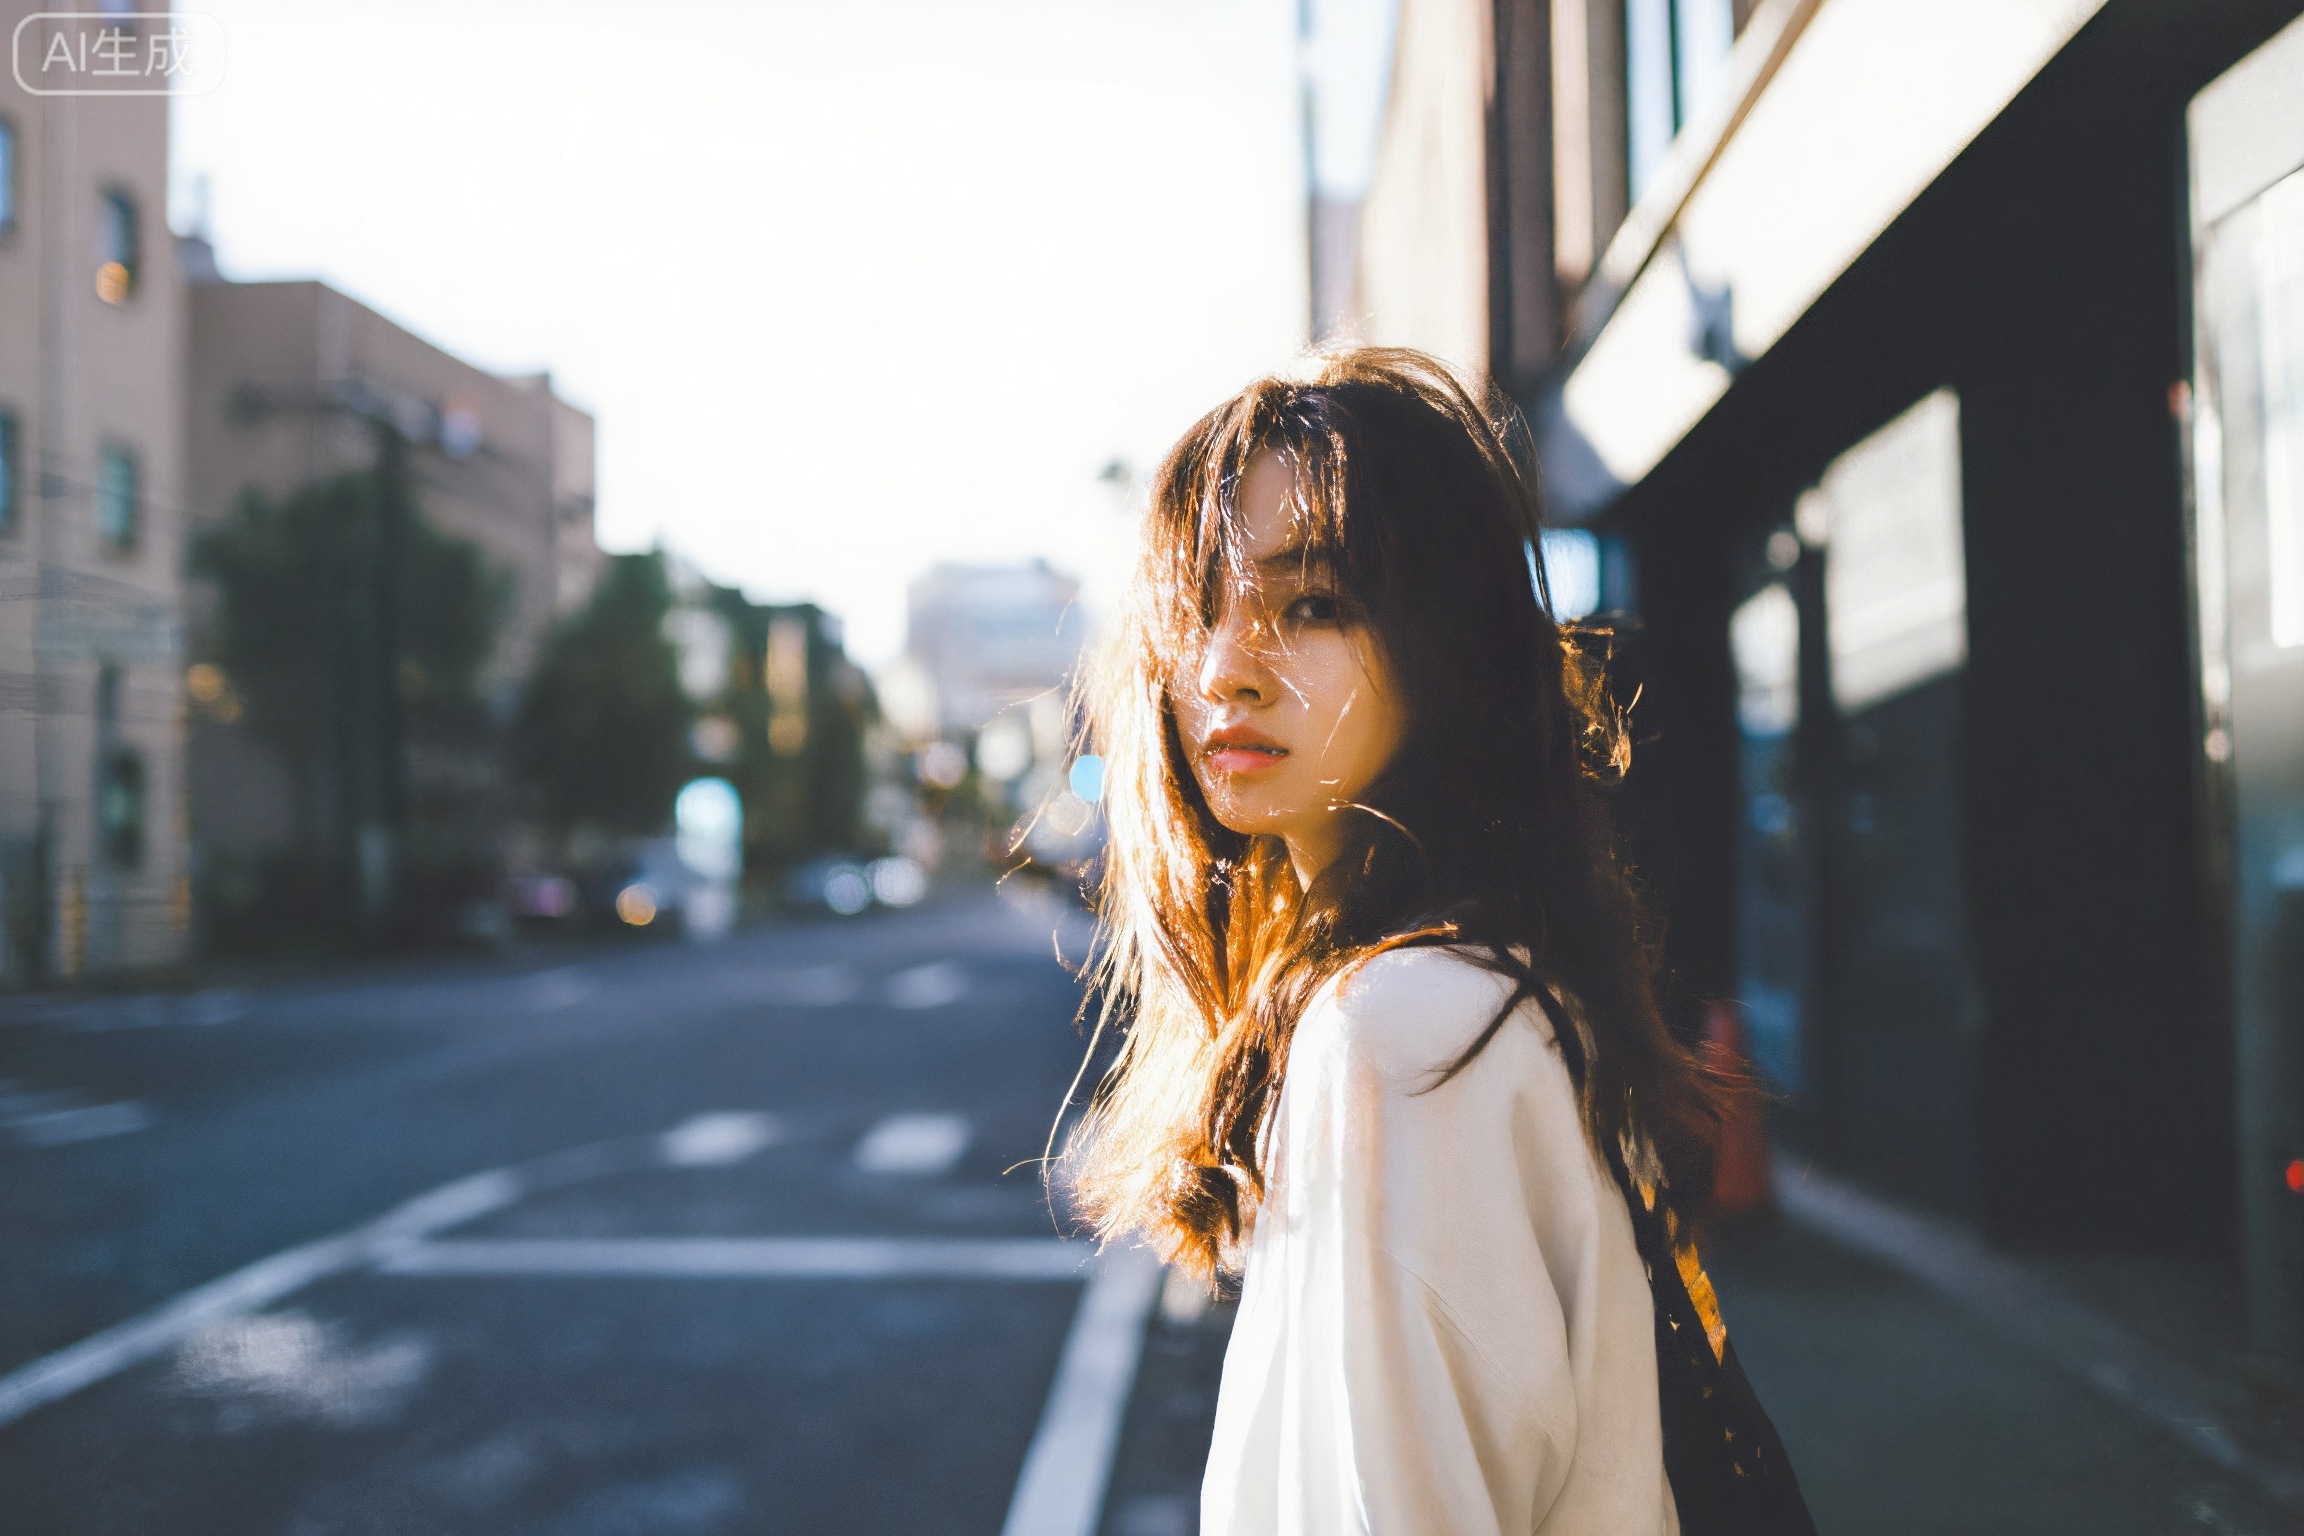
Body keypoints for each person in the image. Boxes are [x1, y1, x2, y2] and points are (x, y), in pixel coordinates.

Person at [1063, 348, 1815, 1534]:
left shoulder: (1407, 1032)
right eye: (1198, 608)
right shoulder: (1473, 992)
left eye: (1311, 603)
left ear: (1449, 648)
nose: (1223, 669)